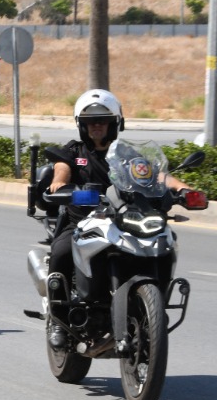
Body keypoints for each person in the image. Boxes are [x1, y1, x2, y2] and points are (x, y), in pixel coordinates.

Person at [41, 88, 189, 347]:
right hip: (82, 223)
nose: (97, 126)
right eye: (90, 122)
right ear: (81, 125)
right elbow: (61, 172)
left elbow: (155, 175)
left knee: (164, 242)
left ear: (115, 123)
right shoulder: (73, 152)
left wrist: (182, 189)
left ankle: (154, 310)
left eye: (103, 120)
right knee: (61, 253)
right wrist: (59, 186)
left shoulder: (128, 154)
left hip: (124, 219)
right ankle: (58, 320)